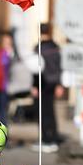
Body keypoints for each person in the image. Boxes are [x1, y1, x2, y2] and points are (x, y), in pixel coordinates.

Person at [31, 23, 64, 153]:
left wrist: (34, 85)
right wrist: (59, 84)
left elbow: (35, 68)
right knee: (50, 111)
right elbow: (59, 67)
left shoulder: (38, 47)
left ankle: (46, 139)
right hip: (52, 83)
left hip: (42, 83)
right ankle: (53, 138)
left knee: (41, 112)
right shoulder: (55, 47)